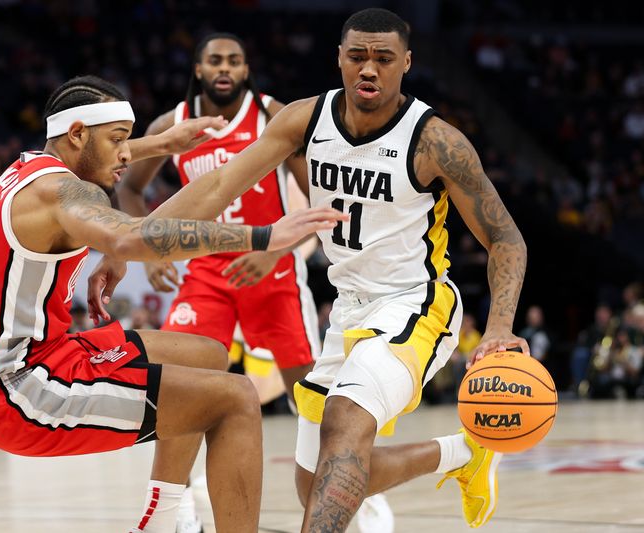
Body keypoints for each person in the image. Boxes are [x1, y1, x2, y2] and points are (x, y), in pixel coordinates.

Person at [134, 8, 530, 532]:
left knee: (344, 424)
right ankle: (462, 453)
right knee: (313, 483)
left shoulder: (436, 142)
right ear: (339, 59)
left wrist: (499, 327)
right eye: (358, 56)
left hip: (416, 304)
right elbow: (217, 186)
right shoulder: (304, 119)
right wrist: (129, 246)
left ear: (405, 63)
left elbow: (506, 238)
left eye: (383, 59)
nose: (369, 69)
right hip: (347, 311)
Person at [0, 75, 346, 533]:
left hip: (46, 355)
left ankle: (162, 521)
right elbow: (133, 235)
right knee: (236, 399)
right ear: (77, 134)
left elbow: (110, 173)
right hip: (17, 391)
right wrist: (264, 235)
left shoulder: (31, 167)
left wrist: (161, 142)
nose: (125, 152)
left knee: (207, 354)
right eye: (118, 139)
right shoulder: (60, 193)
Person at [115, 32, 391, 532]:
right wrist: (150, 255)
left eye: (235, 60)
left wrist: (275, 252)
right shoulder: (172, 125)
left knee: (310, 395)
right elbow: (131, 191)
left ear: (246, 69)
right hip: (206, 274)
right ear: (198, 69)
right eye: (216, 60)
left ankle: (358, 498)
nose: (226, 68)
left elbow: (320, 192)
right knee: (181, 384)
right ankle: (174, 510)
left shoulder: (271, 114)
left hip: (273, 271)